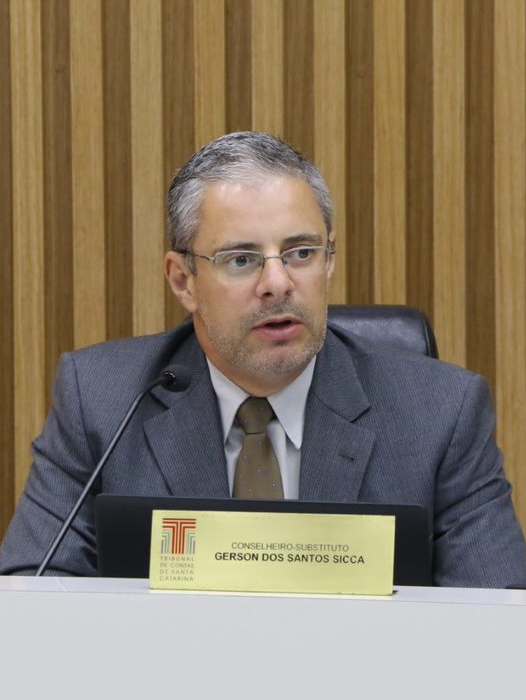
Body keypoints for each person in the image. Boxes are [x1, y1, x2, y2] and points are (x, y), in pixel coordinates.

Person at [1, 131, 526, 586]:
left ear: (329, 260)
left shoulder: (440, 414)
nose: (278, 283)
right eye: (242, 259)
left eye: (301, 253)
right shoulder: (101, 401)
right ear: (183, 280)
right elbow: (36, 596)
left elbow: (493, 620)